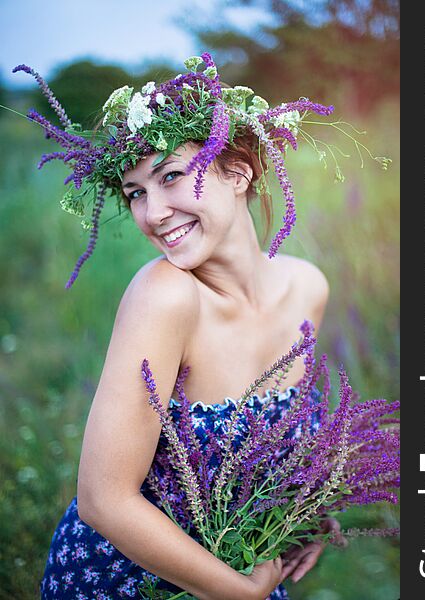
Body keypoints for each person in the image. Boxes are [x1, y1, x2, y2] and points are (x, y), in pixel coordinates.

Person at [13, 53, 351, 599]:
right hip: (132, 581)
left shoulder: (308, 287)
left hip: (241, 560)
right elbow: (104, 501)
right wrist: (239, 593)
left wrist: (306, 514)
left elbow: (287, 443)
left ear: (237, 172)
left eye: (170, 177)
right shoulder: (165, 296)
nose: (153, 212)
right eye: (135, 193)